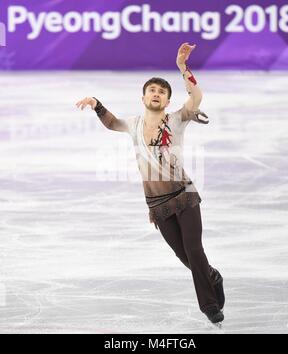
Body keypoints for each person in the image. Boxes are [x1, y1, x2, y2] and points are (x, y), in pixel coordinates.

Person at [76, 43, 225, 324]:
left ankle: (209, 306)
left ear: (167, 101)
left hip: (184, 195)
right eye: (152, 91)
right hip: (157, 205)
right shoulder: (132, 124)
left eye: (162, 92)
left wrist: (183, 67)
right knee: (186, 259)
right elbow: (111, 123)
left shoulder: (176, 120)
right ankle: (213, 275)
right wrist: (97, 104)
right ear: (143, 97)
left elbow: (197, 97)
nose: (156, 94)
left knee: (195, 250)